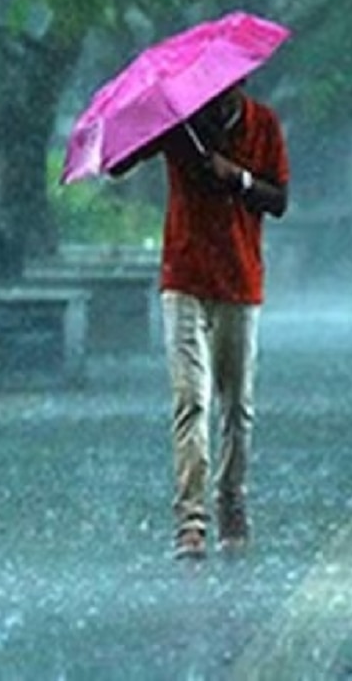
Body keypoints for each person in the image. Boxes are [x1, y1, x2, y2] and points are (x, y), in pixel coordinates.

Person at [111, 79, 289, 559]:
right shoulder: (181, 125)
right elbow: (118, 165)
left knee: (237, 405)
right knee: (191, 399)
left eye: (227, 91)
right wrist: (146, 128)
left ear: (243, 84)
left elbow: (279, 200)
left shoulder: (264, 124)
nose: (217, 99)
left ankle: (232, 499)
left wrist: (239, 178)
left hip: (240, 280)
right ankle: (190, 520)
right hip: (184, 277)